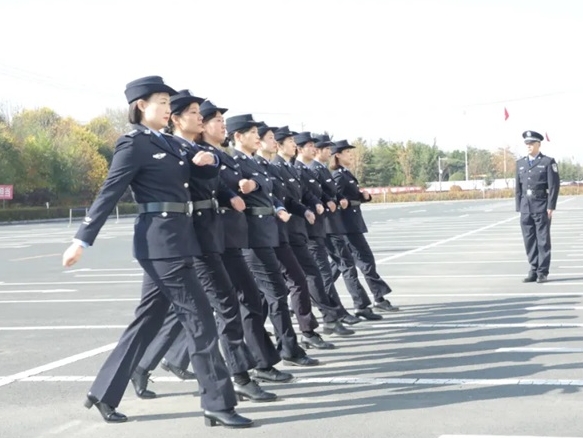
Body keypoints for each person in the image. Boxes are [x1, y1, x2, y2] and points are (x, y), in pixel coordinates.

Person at [62, 76, 252, 428]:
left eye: (169, 103)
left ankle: (103, 392)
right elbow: (109, 191)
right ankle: (217, 404)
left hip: (179, 241)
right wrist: (82, 239)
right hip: (160, 244)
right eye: (162, 102)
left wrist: (206, 166)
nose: (168, 109)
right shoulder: (132, 145)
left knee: (146, 321)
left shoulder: (172, 145)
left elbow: (199, 185)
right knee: (201, 322)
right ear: (140, 107)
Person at [130, 91, 277, 403]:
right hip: (190, 240)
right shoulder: (177, 150)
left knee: (183, 312)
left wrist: (230, 194)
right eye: (206, 117)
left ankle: (145, 365)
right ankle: (238, 376)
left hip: (216, 238)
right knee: (216, 308)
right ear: (178, 119)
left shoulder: (204, 153)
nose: (208, 121)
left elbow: (220, 186)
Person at [226, 114, 319, 366]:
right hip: (250, 235)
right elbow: (226, 188)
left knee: (270, 293)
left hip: (269, 232)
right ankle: (282, 349)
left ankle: (284, 348)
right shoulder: (233, 161)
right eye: (255, 133)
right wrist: (248, 187)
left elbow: (270, 194)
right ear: (238, 136)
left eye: (260, 134)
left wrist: (278, 207)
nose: (259, 137)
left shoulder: (255, 163)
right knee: (268, 294)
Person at [255, 123, 334, 349]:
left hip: (286, 234)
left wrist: (306, 209)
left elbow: (290, 199)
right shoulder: (263, 166)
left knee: (281, 286)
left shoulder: (278, 168)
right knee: (272, 288)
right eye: (290, 142)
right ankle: (293, 335)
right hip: (267, 235)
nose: (294, 146)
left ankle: (302, 334)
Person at [272, 127, 357, 336]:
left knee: (312, 276)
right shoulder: (277, 167)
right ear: (278, 144)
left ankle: (330, 317)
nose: (313, 148)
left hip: (305, 229)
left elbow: (306, 194)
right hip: (291, 231)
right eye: (293, 142)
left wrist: (319, 203)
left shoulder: (292, 168)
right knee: (307, 278)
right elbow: (285, 200)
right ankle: (327, 318)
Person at [311, 134, 382, 321]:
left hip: (336, 225)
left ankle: (352, 305)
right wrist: (341, 201)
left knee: (340, 265)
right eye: (326, 149)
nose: (328, 151)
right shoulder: (320, 170)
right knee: (344, 265)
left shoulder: (324, 170)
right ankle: (353, 306)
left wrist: (358, 198)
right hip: (329, 225)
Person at [330, 140, 399, 312]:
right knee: (364, 259)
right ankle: (379, 296)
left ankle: (316, 292)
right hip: (347, 226)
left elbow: (349, 197)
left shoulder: (345, 173)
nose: (351, 155)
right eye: (347, 152)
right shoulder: (338, 175)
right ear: (337, 155)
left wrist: (363, 197)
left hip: (351, 224)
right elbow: (335, 197)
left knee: (339, 265)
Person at [515, 130, 560, 283]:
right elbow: (518, 188)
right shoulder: (520, 163)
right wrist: (519, 207)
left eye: (531, 143)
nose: (528, 146)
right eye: (526, 143)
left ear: (538, 144)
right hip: (525, 206)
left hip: (541, 205)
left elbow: (554, 186)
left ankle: (542, 272)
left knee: (543, 240)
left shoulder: (547, 162)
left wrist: (551, 206)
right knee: (529, 240)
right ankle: (533, 269)